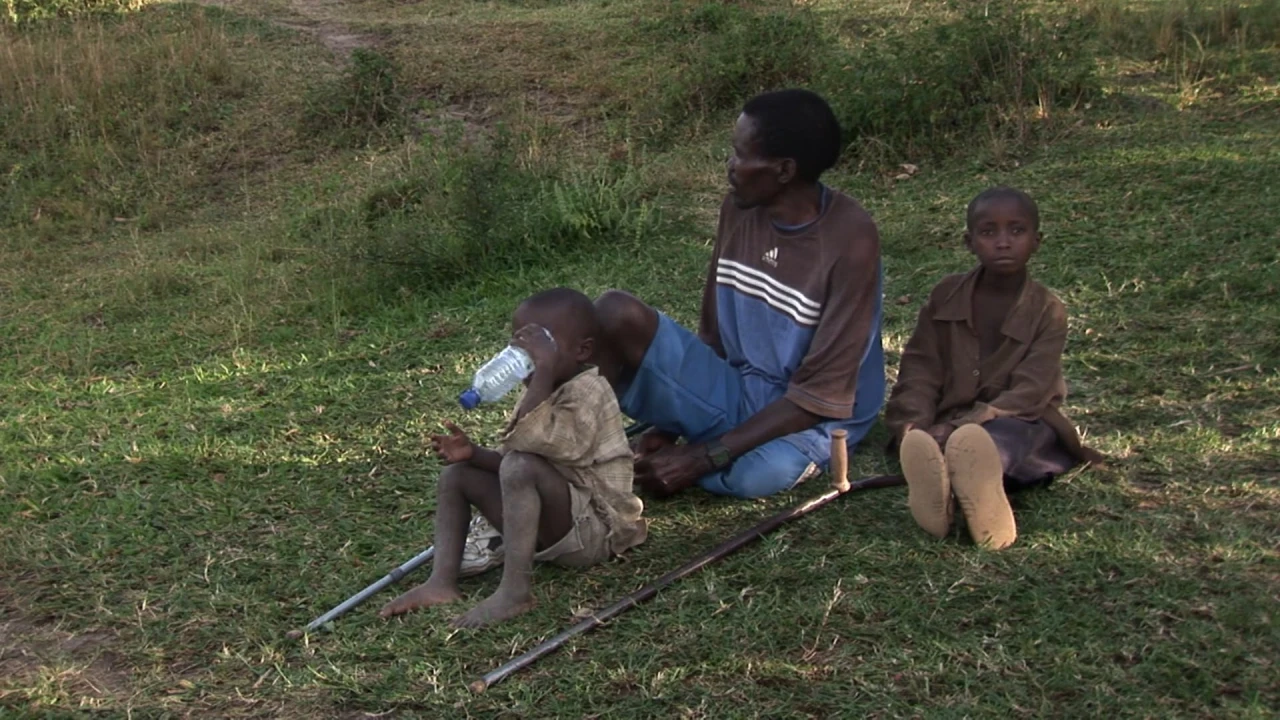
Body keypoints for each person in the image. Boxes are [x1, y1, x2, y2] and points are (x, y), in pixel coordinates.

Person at [592, 88, 886, 499]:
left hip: (812, 414)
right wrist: (670, 427)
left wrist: (702, 457)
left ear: (783, 170)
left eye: (740, 154)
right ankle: (587, 448)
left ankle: (723, 446)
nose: (730, 166)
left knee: (756, 476)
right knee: (613, 313)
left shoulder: (850, 239)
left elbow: (819, 394)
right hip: (739, 386)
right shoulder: (738, 210)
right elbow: (712, 337)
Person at [379, 288, 647, 627]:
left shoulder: (591, 392)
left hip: (593, 533)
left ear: (583, 350)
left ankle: (515, 592)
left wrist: (545, 370)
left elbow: (539, 451)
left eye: (543, 347)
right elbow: (514, 463)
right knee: (457, 475)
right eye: (522, 348)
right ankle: (441, 582)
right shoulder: (542, 390)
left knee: (522, 467)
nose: (529, 359)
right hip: (553, 526)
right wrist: (473, 454)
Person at [884, 187, 1102, 550]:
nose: (1003, 242)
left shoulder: (1048, 310)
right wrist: (916, 425)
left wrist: (963, 425)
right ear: (969, 242)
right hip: (944, 417)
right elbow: (920, 367)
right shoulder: (946, 295)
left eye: (1016, 231)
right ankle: (935, 472)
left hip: (1017, 418)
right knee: (919, 433)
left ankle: (972, 483)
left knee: (1009, 441)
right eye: (989, 232)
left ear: (1037, 241)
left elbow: (1030, 391)